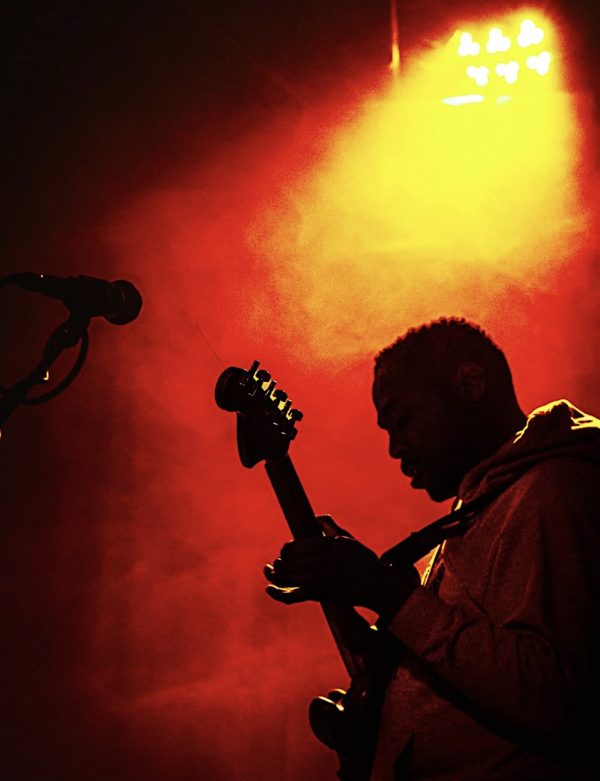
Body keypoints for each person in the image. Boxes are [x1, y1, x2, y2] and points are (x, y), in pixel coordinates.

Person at [264, 317, 600, 780]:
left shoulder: (552, 492)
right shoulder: (484, 505)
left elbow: (559, 698)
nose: (394, 448)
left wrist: (388, 593)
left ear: (470, 383)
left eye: (404, 420)